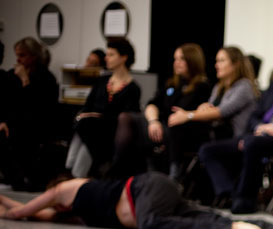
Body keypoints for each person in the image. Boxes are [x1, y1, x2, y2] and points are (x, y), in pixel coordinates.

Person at [0, 172, 273, 229]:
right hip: (155, 201)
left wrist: (6, 207)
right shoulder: (67, 212)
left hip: (147, 188)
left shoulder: (66, 190)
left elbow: (22, 212)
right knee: (205, 216)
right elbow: (30, 213)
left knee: (152, 225)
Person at [198, 41, 273, 214]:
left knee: (252, 144)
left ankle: (245, 199)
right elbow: (255, 114)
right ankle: (229, 192)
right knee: (208, 150)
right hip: (256, 135)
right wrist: (260, 126)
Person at [116, 43, 212, 178]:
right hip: (160, 125)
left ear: (192, 61)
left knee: (174, 124)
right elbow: (153, 104)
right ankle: (122, 170)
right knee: (126, 118)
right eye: (175, 59)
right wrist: (153, 121)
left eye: (181, 59)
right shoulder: (171, 83)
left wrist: (183, 116)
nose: (176, 63)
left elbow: (200, 114)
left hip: (183, 131)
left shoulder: (202, 86)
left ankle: (173, 173)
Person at [66, 38, 140, 178]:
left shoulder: (132, 88)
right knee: (86, 125)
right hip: (91, 130)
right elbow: (87, 107)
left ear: (123, 57)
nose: (106, 58)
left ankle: (73, 173)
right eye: (107, 54)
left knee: (88, 126)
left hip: (110, 133)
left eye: (111, 54)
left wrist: (99, 117)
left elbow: (127, 117)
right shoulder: (101, 82)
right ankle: (74, 172)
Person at [0, 37, 60, 190]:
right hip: (15, 122)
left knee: (23, 134)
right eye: (17, 55)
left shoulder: (46, 78)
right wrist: (3, 121)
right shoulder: (12, 75)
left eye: (22, 55)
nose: (18, 60)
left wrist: (25, 81)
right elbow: (8, 102)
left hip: (37, 123)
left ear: (33, 57)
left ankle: (25, 178)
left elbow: (37, 106)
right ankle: (12, 176)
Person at [170, 46, 258, 142]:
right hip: (216, 133)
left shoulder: (244, 86)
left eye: (221, 61)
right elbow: (210, 108)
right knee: (178, 128)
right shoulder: (219, 86)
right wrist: (204, 107)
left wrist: (188, 115)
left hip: (234, 138)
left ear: (235, 64)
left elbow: (222, 111)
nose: (216, 65)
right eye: (217, 61)